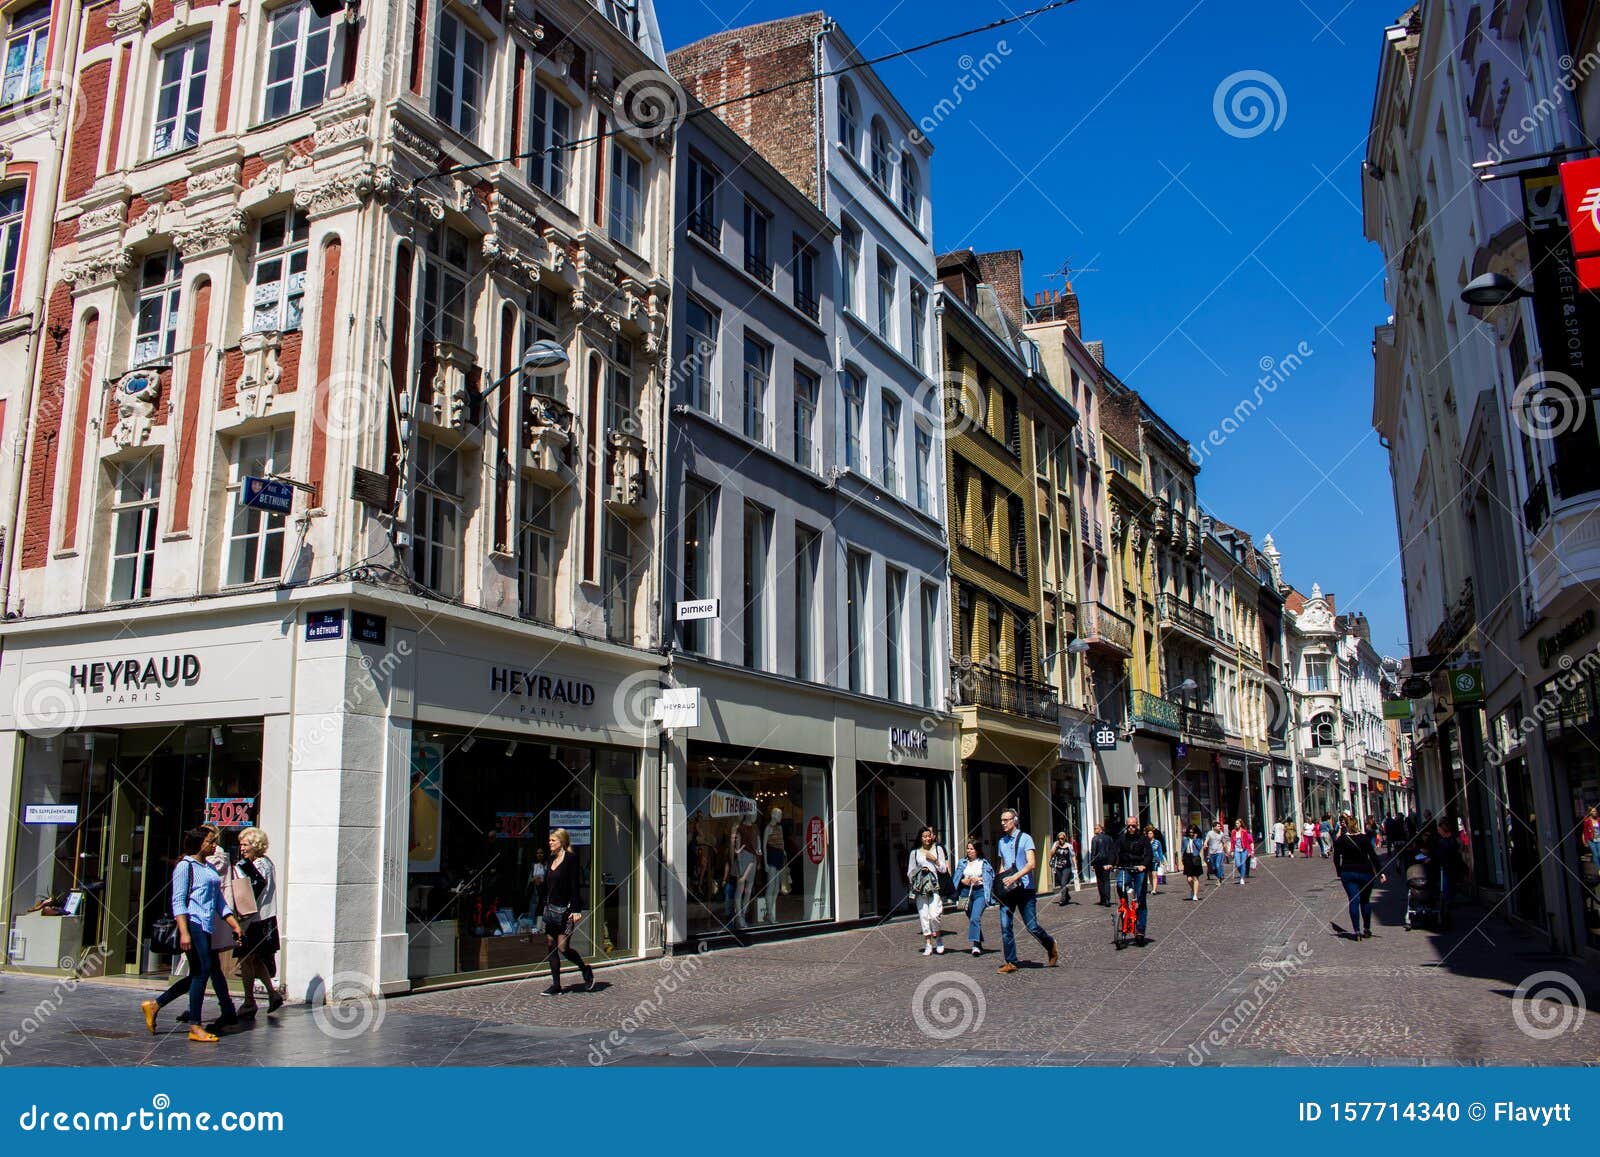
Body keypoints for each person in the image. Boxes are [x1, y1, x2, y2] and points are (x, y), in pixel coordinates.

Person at [141, 827, 244, 1042]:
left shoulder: (208, 869)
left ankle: (156, 1005)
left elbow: (218, 901)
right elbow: (178, 901)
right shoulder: (184, 867)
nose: (214, 845)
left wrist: (233, 923)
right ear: (198, 843)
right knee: (202, 972)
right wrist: (184, 932)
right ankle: (195, 1026)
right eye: (210, 841)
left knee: (199, 973)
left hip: (206, 925)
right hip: (193, 923)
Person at [995, 809, 1058, 973]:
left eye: (1006, 820)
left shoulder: (1026, 839)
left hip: (1025, 889)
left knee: (1032, 927)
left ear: (1014, 820)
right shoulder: (1002, 842)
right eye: (1001, 820)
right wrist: (1000, 881)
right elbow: (1003, 864)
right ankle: (1011, 961)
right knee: (1005, 926)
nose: (1003, 823)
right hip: (1008, 891)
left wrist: (1015, 877)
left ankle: (1050, 944)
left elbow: (1032, 864)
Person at [232, 827, 283, 1018]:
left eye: (245, 844)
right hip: (264, 919)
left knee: (245, 960)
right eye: (241, 845)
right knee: (255, 959)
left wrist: (241, 866)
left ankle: (249, 1002)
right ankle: (272, 993)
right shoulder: (267, 863)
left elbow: (255, 887)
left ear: (255, 845)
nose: (242, 848)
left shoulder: (257, 865)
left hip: (255, 921)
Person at [541, 827, 594, 995]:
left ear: (561, 842)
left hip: (566, 911)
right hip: (551, 910)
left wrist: (576, 909)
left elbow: (574, 885)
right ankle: (556, 985)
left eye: (553, 840)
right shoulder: (550, 859)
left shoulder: (571, 859)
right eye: (549, 840)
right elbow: (548, 885)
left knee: (563, 948)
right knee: (551, 946)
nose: (549, 843)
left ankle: (585, 969)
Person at [1333, 812, 1386, 939]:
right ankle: (1366, 928)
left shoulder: (1342, 840)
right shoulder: (1364, 838)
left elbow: (1336, 858)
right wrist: (1380, 872)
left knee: (1353, 900)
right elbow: (1373, 856)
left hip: (1348, 873)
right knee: (1365, 901)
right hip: (1365, 873)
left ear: (1346, 825)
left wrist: (1339, 871)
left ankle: (1356, 931)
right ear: (1357, 825)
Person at [906, 826, 949, 955]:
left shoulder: (938, 849)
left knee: (935, 915)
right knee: (924, 916)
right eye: (924, 836)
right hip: (921, 889)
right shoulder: (915, 853)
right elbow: (910, 872)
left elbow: (943, 869)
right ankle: (928, 944)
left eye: (929, 836)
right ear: (920, 838)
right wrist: (920, 871)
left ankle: (939, 938)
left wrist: (934, 860)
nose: (927, 839)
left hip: (934, 887)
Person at [1115, 817, 1154, 946]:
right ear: (1126, 826)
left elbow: (1149, 855)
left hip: (1139, 869)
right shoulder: (1121, 839)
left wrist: (1143, 865)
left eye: (1133, 826)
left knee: (1141, 899)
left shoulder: (1143, 840)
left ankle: (1140, 931)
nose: (1131, 828)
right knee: (1120, 884)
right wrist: (1110, 863)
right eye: (1129, 826)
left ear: (1137, 826)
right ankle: (1124, 905)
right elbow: (1114, 853)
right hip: (1126, 867)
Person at [952, 839, 995, 955]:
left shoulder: (983, 863)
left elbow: (991, 877)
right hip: (966, 892)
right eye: (968, 848)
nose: (969, 851)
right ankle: (979, 941)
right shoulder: (962, 863)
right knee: (971, 917)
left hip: (980, 892)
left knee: (975, 917)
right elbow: (956, 879)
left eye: (972, 849)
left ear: (977, 850)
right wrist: (963, 881)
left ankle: (975, 946)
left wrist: (979, 879)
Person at [1423, 818, 1464, 930]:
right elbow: (1459, 849)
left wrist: (1430, 858)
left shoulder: (1442, 841)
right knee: (1447, 891)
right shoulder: (1453, 838)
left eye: (1439, 828)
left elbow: (1438, 854)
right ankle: (1446, 912)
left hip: (1445, 869)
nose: (1438, 830)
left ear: (1442, 828)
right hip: (1451, 868)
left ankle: (1445, 916)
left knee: (1445, 892)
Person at [1089, 823, 1117, 906]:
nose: (1095, 830)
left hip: (1098, 862)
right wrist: (1111, 863)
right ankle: (1107, 899)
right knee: (1106, 881)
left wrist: (1092, 864)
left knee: (1100, 881)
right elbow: (1112, 851)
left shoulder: (1095, 839)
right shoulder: (1109, 838)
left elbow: (1093, 852)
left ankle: (1103, 899)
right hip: (1107, 862)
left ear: (1100, 829)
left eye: (1096, 828)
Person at [1049, 832, 1076, 906]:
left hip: (1067, 867)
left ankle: (1063, 899)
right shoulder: (1055, 844)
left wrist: (1075, 865)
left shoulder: (1069, 846)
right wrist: (1055, 846)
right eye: (1059, 838)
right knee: (1061, 883)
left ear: (1065, 838)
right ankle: (1067, 896)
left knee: (1063, 883)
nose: (1061, 840)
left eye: (1062, 838)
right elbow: (1051, 853)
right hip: (1058, 867)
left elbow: (1073, 855)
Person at [1181, 824, 1205, 900]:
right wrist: (1182, 857)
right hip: (1187, 858)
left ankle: (1195, 895)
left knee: (1195, 877)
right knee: (1189, 879)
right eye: (1190, 832)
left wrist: (1194, 839)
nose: (1191, 834)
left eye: (1193, 832)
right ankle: (1193, 889)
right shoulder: (1185, 839)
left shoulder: (1198, 839)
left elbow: (1199, 847)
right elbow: (1182, 849)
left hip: (1195, 858)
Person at [1203, 820, 1228, 885]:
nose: (1220, 827)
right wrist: (1205, 844)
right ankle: (1219, 876)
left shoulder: (1221, 834)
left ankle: (1218, 879)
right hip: (1212, 853)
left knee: (1217, 865)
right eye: (1218, 826)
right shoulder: (1210, 833)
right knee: (1213, 867)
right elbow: (1206, 840)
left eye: (1220, 826)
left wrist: (1226, 851)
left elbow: (1224, 843)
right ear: (1214, 827)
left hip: (1219, 852)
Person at [1232, 819, 1255, 884]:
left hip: (1244, 850)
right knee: (1238, 864)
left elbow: (1248, 842)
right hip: (1237, 850)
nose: (1236, 824)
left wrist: (1250, 851)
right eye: (1236, 823)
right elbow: (1232, 842)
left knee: (1243, 863)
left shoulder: (1244, 831)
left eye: (1238, 823)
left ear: (1240, 824)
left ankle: (1242, 878)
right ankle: (1242, 873)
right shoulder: (1233, 831)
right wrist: (1232, 850)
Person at [1146, 826, 1165, 893]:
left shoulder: (1157, 842)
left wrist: (1162, 860)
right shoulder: (1145, 842)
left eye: (1151, 833)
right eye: (1148, 833)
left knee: (1154, 874)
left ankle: (1154, 889)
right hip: (1148, 860)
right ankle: (1152, 886)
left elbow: (1160, 852)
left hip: (1155, 860)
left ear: (1153, 834)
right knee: (1150, 874)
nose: (1149, 835)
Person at [1585, 806, 1600, 872]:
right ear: (1590, 812)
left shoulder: (1599, 819)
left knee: (1599, 854)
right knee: (1595, 855)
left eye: (1595, 811)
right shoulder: (1587, 821)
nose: (1595, 812)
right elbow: (1585, 831)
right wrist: (1585, 841)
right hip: (1591, 840)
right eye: (1593, 811)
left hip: (1599, 839)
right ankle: (1599, 869)